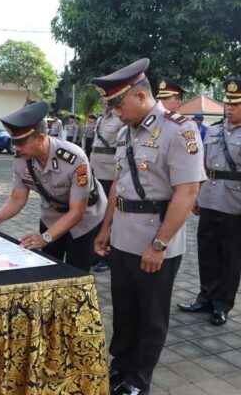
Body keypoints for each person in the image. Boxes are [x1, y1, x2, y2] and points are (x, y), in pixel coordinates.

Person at [93, 58, 205, 395]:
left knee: (151, 315)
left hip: (156, 239)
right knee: (125, 309)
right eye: (110, 106)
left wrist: (159, 244)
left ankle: (139, 378)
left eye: (118, 104)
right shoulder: (127, 132)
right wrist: (105, 227)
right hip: (124, 236)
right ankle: (120, 365)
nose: (114, 112)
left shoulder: (179, 129)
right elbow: (118, 184)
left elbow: (188, 191)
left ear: (140, 97)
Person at [0, 101, 107, 272]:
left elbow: (77, 211)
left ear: (41, 138)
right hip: (52, 216)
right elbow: (17, 199)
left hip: (85, 218)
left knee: (76, 271)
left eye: (21, 143)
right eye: (14, 142)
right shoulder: (21, 160)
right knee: (48, 266)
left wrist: (46, 237)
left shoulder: (75, 158)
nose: (16, 149)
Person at [177, 76, 241, 326]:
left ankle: (222, 305)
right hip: (210, 199)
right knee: (207, 253)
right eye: (228, 104)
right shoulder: (213, 131)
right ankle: (205, 297)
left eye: (235, 104)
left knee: (230, 257)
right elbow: (202, 166)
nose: (229, 108)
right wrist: (197, 195)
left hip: (235, 204)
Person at [89, 105, 126, 273]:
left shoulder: (120, 118)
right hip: (95, 168)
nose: (105, 103)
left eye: (108, 99)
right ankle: (95, 253)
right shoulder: (101, 119)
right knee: (95, 211)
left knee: (108, 215)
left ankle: (105, 257)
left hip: (110, 171)